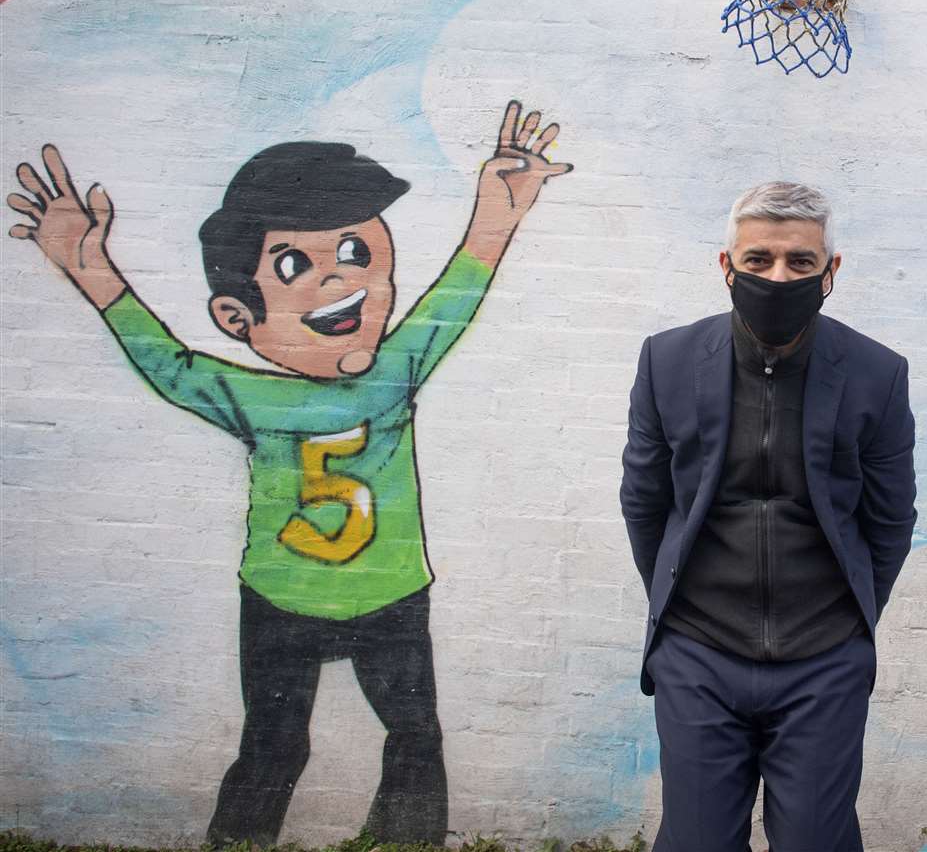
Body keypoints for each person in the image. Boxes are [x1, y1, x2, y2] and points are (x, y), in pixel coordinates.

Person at [7, 102, 571, 845]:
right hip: (281, 600)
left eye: (356, 252)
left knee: (414, 737)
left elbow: (452, 301)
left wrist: (498, 216)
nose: (338, 280)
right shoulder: (259, 392)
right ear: (239, 318)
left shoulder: (394, 368)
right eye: (296, 266)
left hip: (391, 596)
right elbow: (172, 368)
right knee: (276, 745)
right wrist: (90, 269)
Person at [620, 181, 916, 852]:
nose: (777, 276)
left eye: (799, 263)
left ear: (829, 272)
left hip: (824, 659)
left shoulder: (877, 373)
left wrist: (849, 624)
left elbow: (891, 520)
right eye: (758, 260)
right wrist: (675, 612)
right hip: (697, 652)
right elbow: (645, 502)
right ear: (726, 267)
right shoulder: (665, 362)